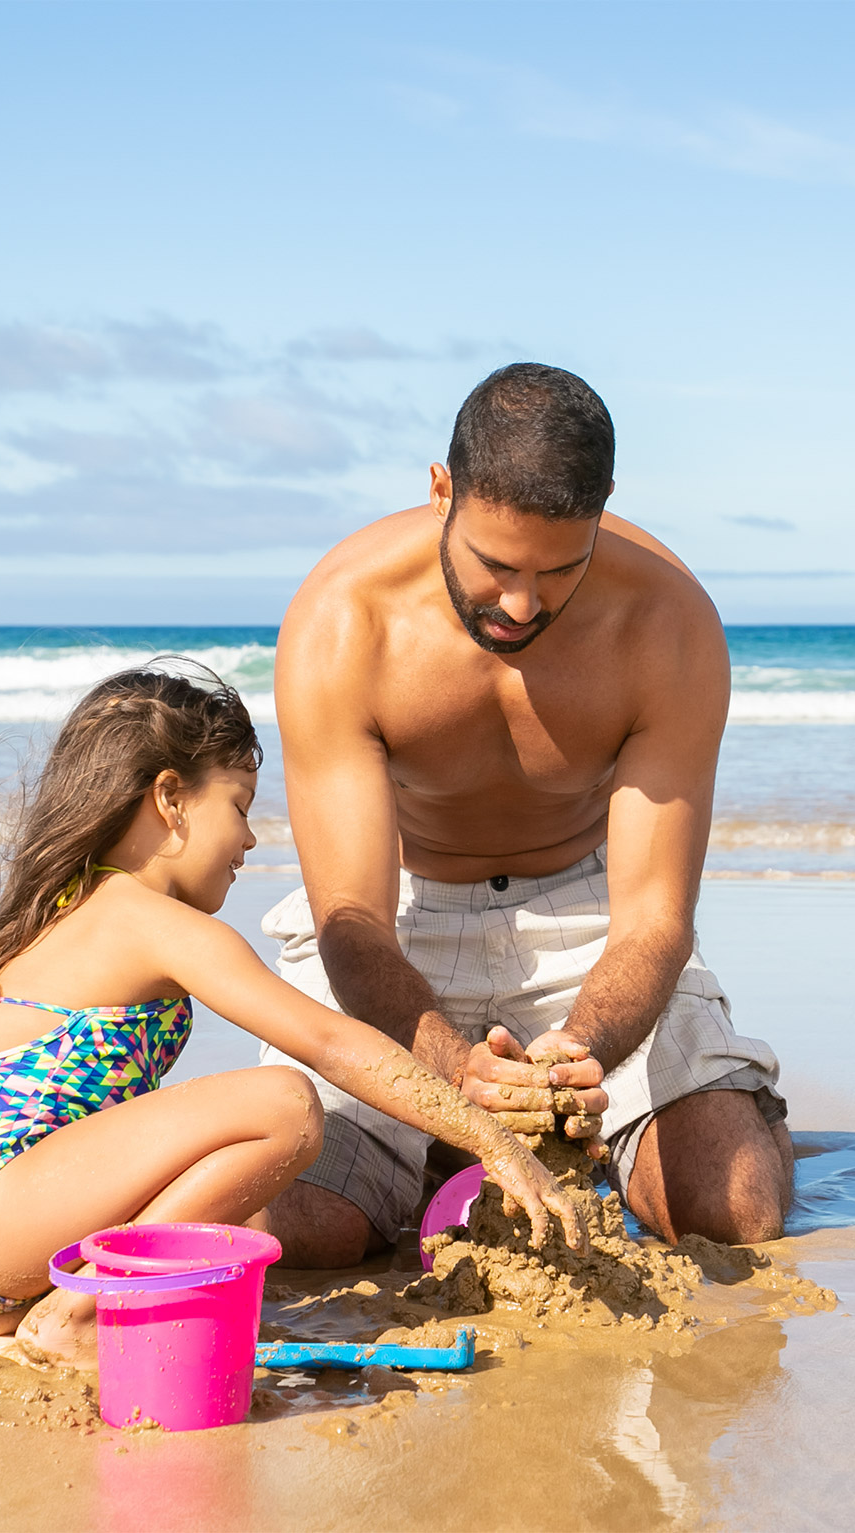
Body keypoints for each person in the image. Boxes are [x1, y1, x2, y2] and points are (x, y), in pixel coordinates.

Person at [0, 665, 580, 1362]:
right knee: (285, 1104)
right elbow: (327, 1041)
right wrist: (490, 1139)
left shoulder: (64, 912)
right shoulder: (144, 918)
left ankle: (15, 1317)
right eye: (240, 806)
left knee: (237, 1202)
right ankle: (81, 1309)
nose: (248, 840)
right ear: (171, 798)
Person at [258, 363, 792, 1270]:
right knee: (301, 1234)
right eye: (496, 565)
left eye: (560, 569)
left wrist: (584, 1052)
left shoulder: (667, 623)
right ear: (440, 492)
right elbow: (349, 919)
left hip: (591, 919)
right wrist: (452, 1069)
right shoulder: (342, 621)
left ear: (604, 509)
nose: (521, 604)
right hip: (401, 917)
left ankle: (702, 1122)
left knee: (734, 1210)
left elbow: (656, 917)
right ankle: (442, 1151)